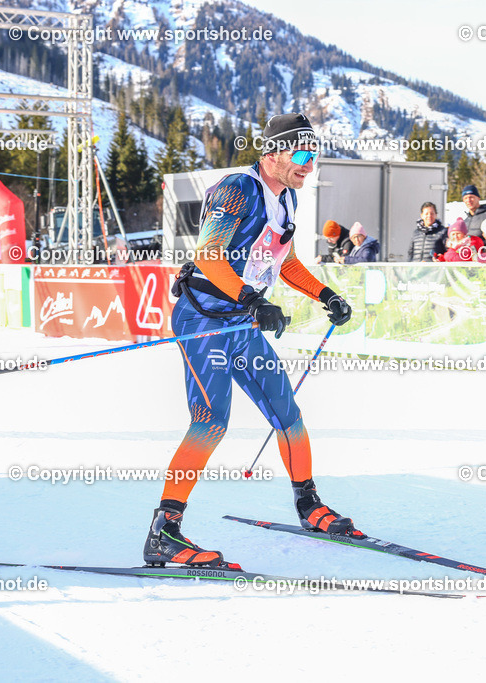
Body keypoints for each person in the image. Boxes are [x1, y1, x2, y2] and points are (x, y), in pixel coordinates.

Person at [147, 113, 359, 569]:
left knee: (288, 415)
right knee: (211, 423)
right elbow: (208, 254)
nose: (309, 164)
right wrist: (250, 297)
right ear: (272, 153)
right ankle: (164, 532)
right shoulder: (236, 188)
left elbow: (285, 262)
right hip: (205, 320)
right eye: (301, 154)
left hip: (243, 320)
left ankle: (310, 506)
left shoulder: (288, 198)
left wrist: (326, 294)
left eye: (314, 155)